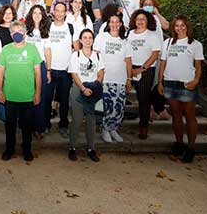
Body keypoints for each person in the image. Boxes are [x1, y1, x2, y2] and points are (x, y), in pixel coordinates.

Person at [158, 16, 204, 163]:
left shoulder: (196, 45)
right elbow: (163, 64)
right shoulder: (168, 43)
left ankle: (191, 148)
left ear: (187, 27)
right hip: (170, 83)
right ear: (173, 28)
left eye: (182, 25)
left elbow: (198, 66)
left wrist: (196, 81)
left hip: (187, 84)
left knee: (190, 116)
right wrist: (160, 82)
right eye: (177, 25)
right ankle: (179, 143)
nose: (180, 28)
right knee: (176, 115)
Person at [0, 21, 42, 161]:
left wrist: (38, 93)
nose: (17, 34)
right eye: (14, 31)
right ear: (11, 34)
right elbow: (0, 72)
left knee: (27, 126)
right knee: (9, 125)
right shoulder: (6, 49)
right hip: (10, 95)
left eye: (20, 31)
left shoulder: (33, 49)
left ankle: (27, 149)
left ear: (24, 33)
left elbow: (38, 73)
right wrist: (0, 91)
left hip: (28, 95)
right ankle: (9, 149)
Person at [67, 29, 105, 162]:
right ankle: (72, 147)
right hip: (79, 89)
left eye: (90, 37)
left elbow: (101, 72)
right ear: (81, 40)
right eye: (85, 37)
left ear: (93, 40)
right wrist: (83, 88)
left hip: (93, 90)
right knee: (77, 120)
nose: (88, 40)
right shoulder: (75, 55)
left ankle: (91, 148)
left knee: (91, 120)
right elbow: (74, 74)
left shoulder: (98, 56)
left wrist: (95, 86)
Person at [93, 14, 132, 143]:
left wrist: (129, 79)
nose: (114, 24)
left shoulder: (125, 41)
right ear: (108, 24)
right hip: (105, 77)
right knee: (106, 105)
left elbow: (128, 61)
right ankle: (105, 129)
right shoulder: (101, 37)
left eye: (117, 22)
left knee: (118, 106)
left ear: (121, 24)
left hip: (120, 78)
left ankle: (113, 128)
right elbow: (96, 56)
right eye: (112, 22)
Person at [127, 9, 162, 139]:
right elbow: (127, 52)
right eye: (138, 19)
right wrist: (130, 70)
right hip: (130, 68)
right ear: (134, 21)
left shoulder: (152, 35)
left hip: (146, 70)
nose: (140, 22)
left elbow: (155, 54)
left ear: (148, 21)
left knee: (143, 99)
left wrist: (142, 68)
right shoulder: (130, 34)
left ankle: (143, 126)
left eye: (143, 19)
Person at [48, 2, 76, 137]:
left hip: (65, 70)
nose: (59, 13)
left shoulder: (70, 28)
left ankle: (63, 125)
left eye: (62, 11)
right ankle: (45, 124)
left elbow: (76, 48)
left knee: (64, 100)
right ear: (53, 12)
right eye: (57, 10)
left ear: (66, 13)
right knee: (47, 99)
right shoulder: (48, 26)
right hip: (50, 69)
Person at [25, 5, 52, 137]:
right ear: (30, 14)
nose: (36, 15)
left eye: (39, 13)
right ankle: (27, 125)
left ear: (43, 16)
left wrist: (48, 70)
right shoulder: (25, 30)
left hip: (40, 65)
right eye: (34, 12)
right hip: (26, 66)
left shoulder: (46, 31)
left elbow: (47, 51)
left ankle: (40, 127)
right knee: (27, 96)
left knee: (39, 96)